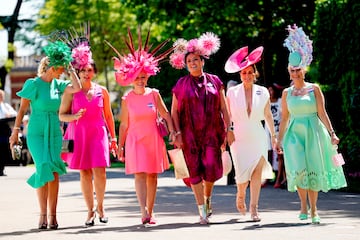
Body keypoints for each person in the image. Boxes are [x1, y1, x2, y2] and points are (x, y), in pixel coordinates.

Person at [277, 24, 347, 224]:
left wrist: (332, 133)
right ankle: (302, 206)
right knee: (299, 168)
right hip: (294, 134)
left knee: (313, 167)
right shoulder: (286, 93)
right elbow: (284, 119)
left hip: (314, 131)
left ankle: (315, 209)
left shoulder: (314, 89)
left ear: (304, 70)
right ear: (289, 72)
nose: (296, 73)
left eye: (298, 70)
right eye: (293, 70)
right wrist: (278, 139)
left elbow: (322, 113)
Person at [8, 40, 81, 229]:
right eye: (60, 68)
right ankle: (42, 215)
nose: (62, 71)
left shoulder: (59, 84)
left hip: (54, 133)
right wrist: (15, 132)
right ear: (52, 67)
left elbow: (77, 88)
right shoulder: (33, 84)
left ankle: (53, 216)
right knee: (42, 167)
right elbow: (22, 110)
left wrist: (71, 67)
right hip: (36, 132)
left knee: (54, 172)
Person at [107, 28, 175, 225]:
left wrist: (172, 132)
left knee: (152, 176)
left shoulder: (154, 94)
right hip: (135, 140)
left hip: (154, 138)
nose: (140, 79)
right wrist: (120, 146)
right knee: (139, 175)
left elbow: (166, 114)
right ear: (131, 78)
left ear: (148, 76)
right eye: (137, 76)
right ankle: (142, 210)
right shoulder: (127, 98)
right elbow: (124, 125)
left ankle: (151, 211)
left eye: (143, 76)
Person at [169, 32, 232, 224]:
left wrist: (229, 129)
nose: (192, 63)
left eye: (195, 60)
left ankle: (207, 197)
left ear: (202, 61)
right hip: (188, 134)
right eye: (189, 61)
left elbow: (224, 107)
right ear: (185, 64)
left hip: (212, 132)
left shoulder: (215, 81)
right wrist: (176, 133)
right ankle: (201, 211)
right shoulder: (180, 84)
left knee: (212, 169)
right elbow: (173, 112)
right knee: (194, 171)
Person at [59, 29, 117, 226]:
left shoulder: (102, 90)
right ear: (77, 71)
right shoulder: (70, 91)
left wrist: (114, 138)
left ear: (94, 72)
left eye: (89, 70)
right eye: (82, 70)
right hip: (78, 132)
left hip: (98, 132)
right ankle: (90, 211)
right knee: (84, 172)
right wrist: (73, 116)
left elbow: (108, 116)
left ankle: (101, 207)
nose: (86, 73)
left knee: (100, 171)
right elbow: (61, 114)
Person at [224, 46, 276, 222]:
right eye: (243, 73)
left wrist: (274, 136)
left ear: (255, 74)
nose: (246, 76)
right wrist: (227, 131)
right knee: (241, 174)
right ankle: (240, 194)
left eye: (249, 73)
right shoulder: (232, 92)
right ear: (239, 75)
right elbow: (226, 115)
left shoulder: (263, 92)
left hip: (258, 135)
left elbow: (268, 115)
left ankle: (254, 208)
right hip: (238, 136)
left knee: (256, 172)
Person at [265, 83, 287, 188]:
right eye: (268, 90)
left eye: (271, 90)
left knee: (280, 155)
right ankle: (267, 177)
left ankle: (279, 179)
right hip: (267, 131)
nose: (270, 92)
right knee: (267, 154)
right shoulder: (266, 102)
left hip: (279, 130)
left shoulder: (280, 102)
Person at [0, 89, 17, 175]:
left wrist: (9, 115)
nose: (1, 98)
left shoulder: (6, 106)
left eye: (1, 96)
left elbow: (15, 114)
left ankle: (1, 169)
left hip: (4, 131)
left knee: (4, 151)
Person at [225, 80, 238, 185]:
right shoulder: (224, 99)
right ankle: (230, 178)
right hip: (227, 128)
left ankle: (236, 176)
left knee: (237, 152)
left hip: (237, 128)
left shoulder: (239, 99)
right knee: (229, 152)